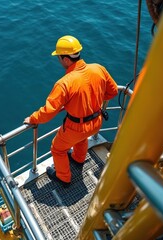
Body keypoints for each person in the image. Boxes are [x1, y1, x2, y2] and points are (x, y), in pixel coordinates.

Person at [23, 35, 118, 187]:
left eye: (59, 58)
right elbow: (112, 92)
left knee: (57, 149)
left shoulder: (64, 83)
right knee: (81, 139)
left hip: (76, 127)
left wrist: (32, 119)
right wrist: (94, 100)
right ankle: (78, 159)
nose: (59, 61)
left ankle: (64, 178)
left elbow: (48, 112)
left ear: (66, 59)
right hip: (96, 122)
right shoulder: (98, 68)